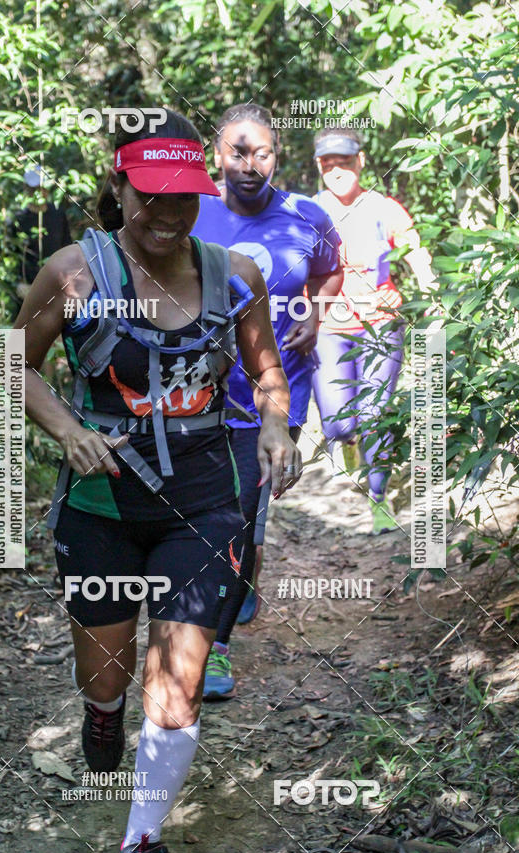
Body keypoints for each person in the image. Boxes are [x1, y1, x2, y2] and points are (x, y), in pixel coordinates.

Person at [14, 108, 302, 853]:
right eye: (153, 198)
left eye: (185, 199)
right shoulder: (74, 271)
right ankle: (101, 711)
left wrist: (275, 429)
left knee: (174, 684)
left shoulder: (234, 275)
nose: (170, 216)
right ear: (120, 187)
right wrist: (68, 427)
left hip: (205, 504)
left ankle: (140, 842)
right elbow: (16, 363)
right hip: (101, 507)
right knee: (105, 676)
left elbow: (267, 376)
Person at [192, 103, 343, 700]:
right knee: (211, 520)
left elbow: (330, 270)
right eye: (238, 152)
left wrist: (318, 313)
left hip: (274, 397)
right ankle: (220, 587)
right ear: (217, 155)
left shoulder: (307, 215)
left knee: (243, 519)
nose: (251, 165)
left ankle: (219, 647)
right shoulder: (190, 213)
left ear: (278, 156)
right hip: (193, 397)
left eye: (264, 153)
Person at [311, 127, 436, 535]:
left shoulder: (384, 208)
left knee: (375, 414)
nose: (337, 170)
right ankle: (346, 447)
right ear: (319, 167)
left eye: (345, 162)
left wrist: (432, 294)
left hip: (381, 323)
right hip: (328, 327)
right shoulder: (308, 210)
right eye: (329, 164)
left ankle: (378, 500)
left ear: (360, 162)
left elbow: (414, 250)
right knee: (339, 423)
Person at [7, 166, 72, 318]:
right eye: (34, 188)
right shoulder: (18, 219)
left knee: (51, 333)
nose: (39, 192)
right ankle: (6, 342)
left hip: (54, 289)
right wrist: (17, 283)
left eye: (42, 187)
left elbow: (67, 248)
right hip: (25, 291)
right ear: (26, 189)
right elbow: (9, 258)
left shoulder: (57, 214)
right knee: (15, 333)